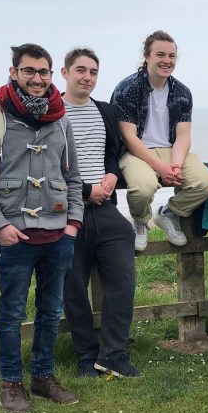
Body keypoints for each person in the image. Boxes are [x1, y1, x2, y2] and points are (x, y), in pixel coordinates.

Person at [0, 43, 83, 413]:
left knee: (51, 311)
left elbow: (74, 176)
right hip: (12, 235)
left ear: (52, 75)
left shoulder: (61, 118)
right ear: (13, 72)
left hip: (58, 233)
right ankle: (11, 384)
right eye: (29, 71)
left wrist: (73, 224)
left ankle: (44, 377)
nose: (37, 79)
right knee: (11, 312)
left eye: (43, 72)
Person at [59, 48, 140, 379]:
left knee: (122, 280)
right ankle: (85, 356)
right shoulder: (53, 114)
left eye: (93, 72)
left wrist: (111, 175)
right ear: (64, 73)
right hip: (65, 212)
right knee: (73, 287)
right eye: (80, 70)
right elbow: (47, 167)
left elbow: (112, 152)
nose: (87, 77)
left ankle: (113, 354)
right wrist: (83, 190)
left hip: (105, 209)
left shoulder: (104, 110)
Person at [111, 30, 208, 251]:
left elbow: (183, 135)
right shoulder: (127, 89)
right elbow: (129, 137)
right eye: (160, 54)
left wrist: (175, 166)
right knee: (143, 189)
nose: (166, 61)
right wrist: (160, 167)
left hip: (171, 149)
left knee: (205, 183)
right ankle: (141, 220)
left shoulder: (182, 92)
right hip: (136, 151)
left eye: (171, 56)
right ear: (147, 56)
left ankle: (169, 212)